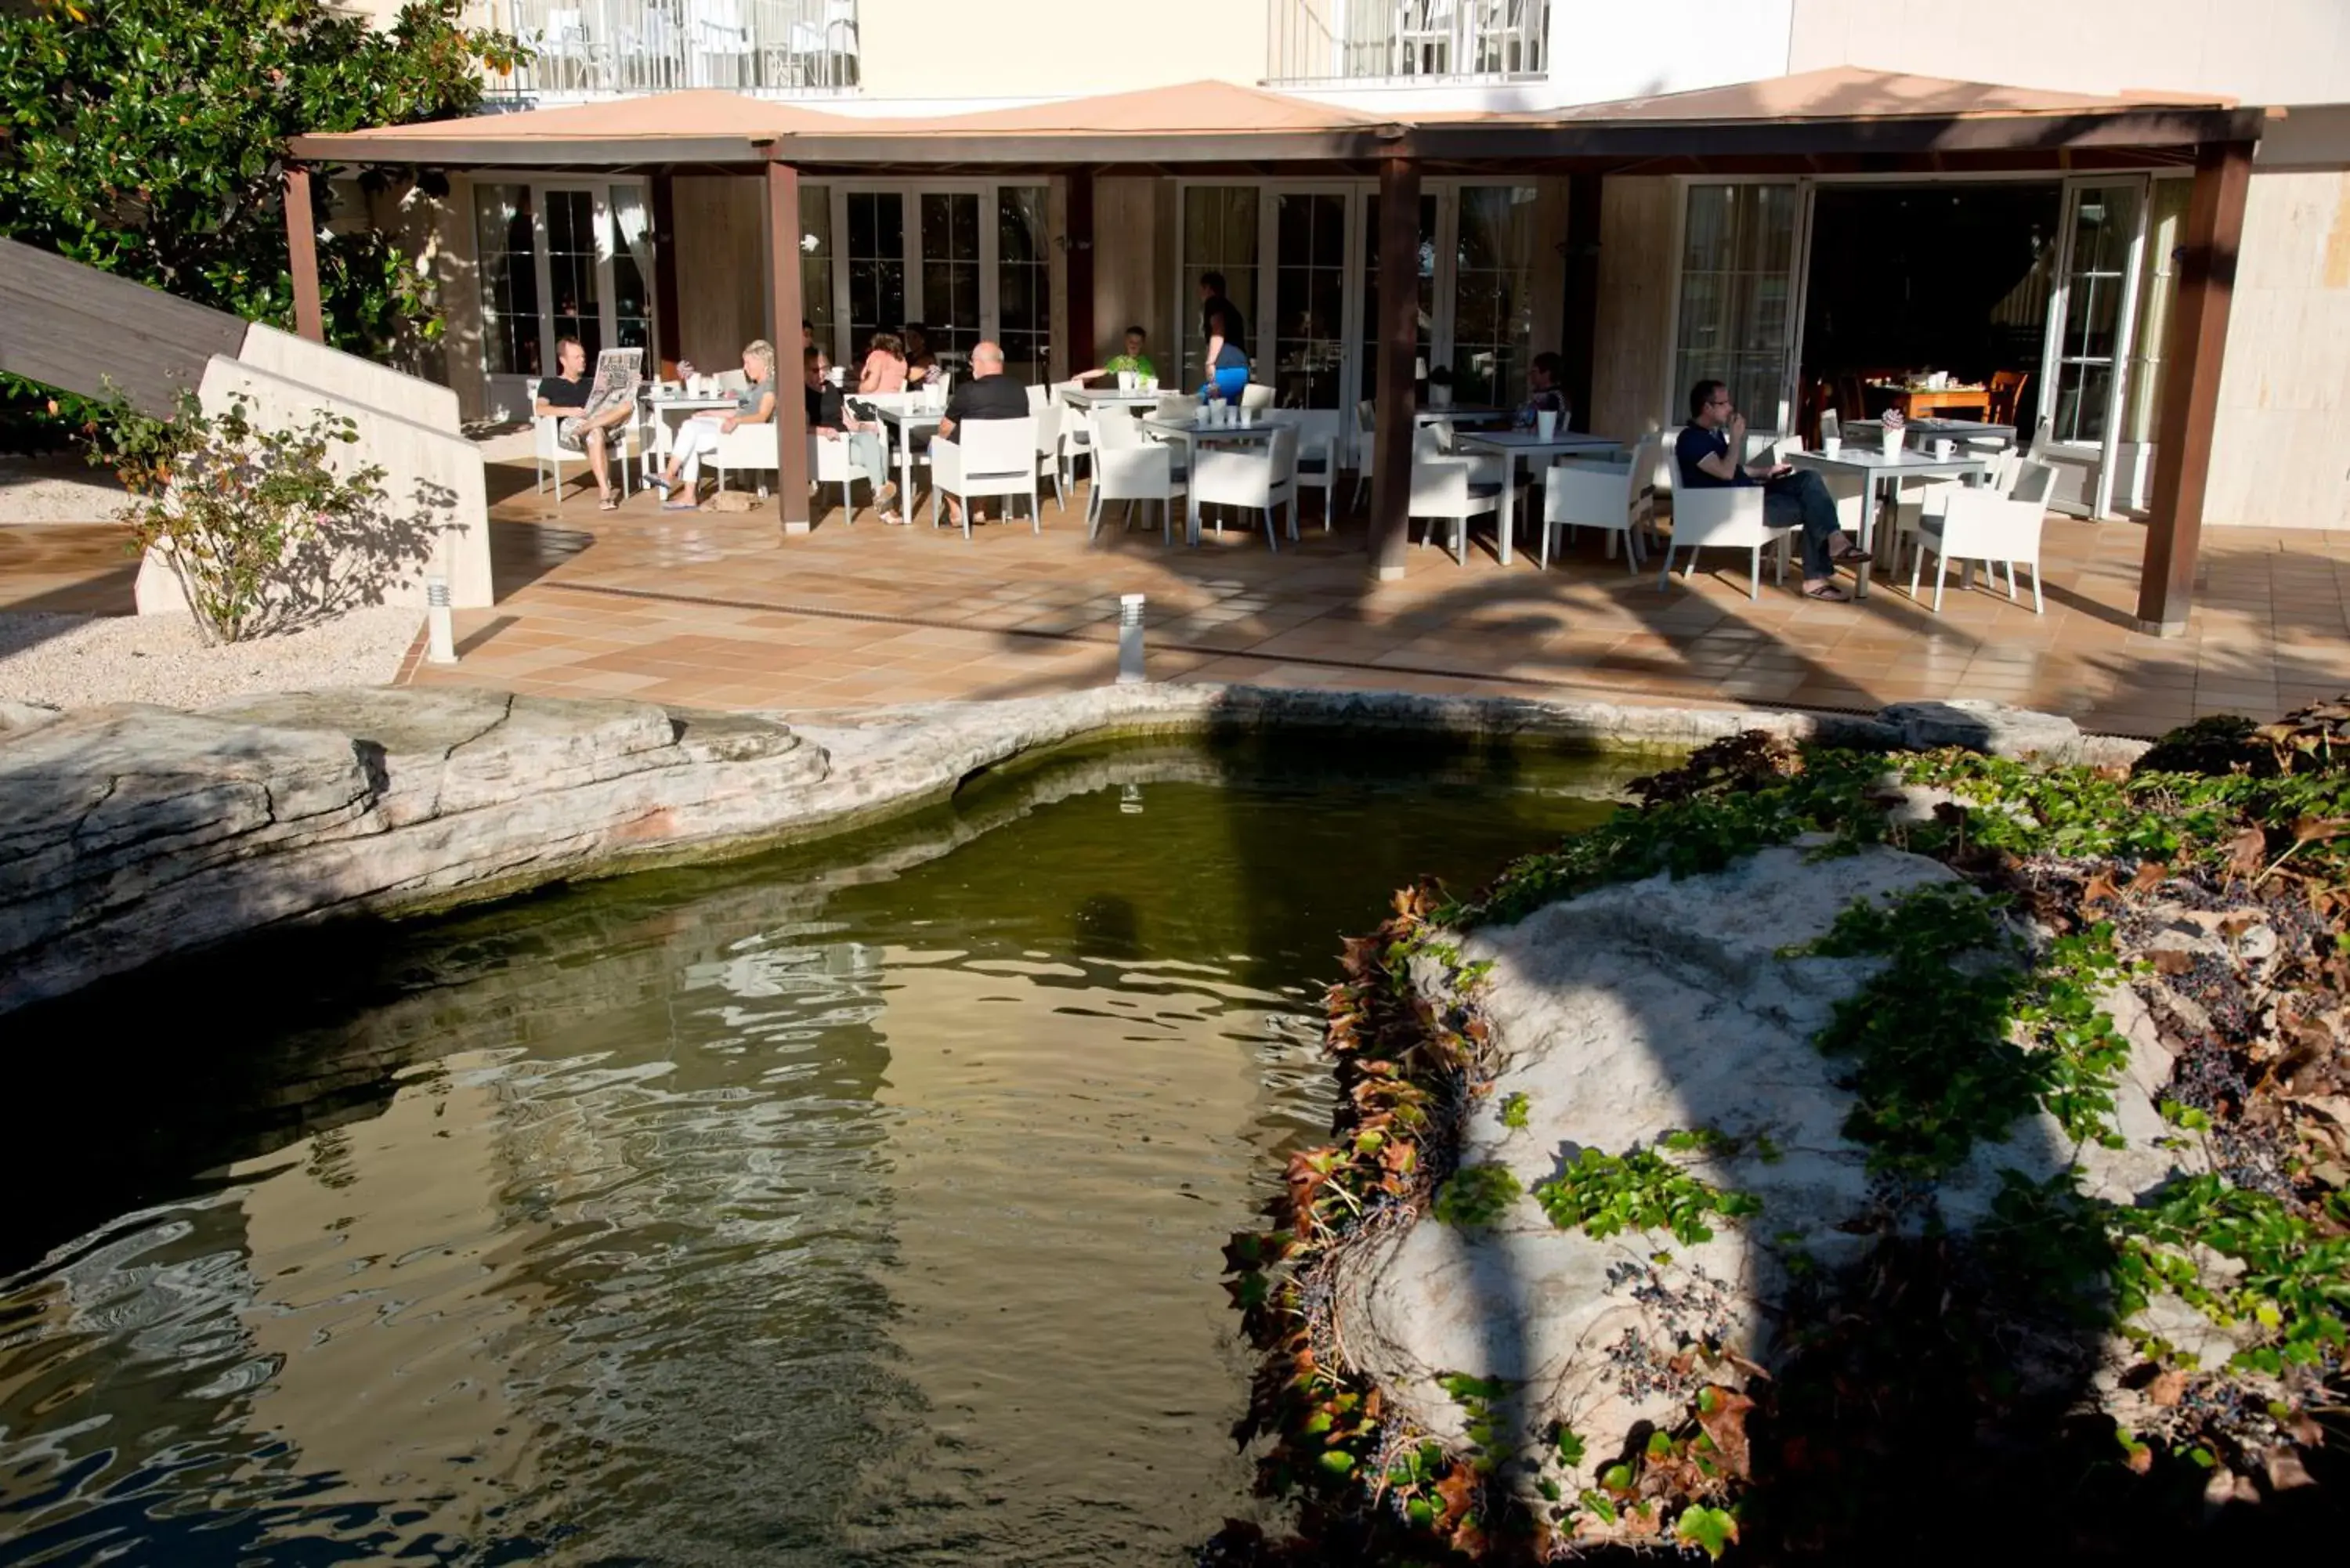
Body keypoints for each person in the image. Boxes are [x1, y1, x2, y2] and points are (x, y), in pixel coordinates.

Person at [1676, 379, 1867, 602]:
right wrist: (1736, 439)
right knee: (1812, 506)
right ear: (1707, 407)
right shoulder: (1690, 440)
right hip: (1735, 509)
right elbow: (1726, 473)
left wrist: (1766, 471)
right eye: (1724, 403)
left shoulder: (1712, 434)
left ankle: (1834, 540)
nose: (1730, 408)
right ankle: (1817, 574)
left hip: (1749, 496)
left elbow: (1734, 470)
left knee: (1809, 479)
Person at [650, 340, 776, 510]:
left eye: (748, 363)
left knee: (690, 433)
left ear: (763, 364)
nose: (745, 368)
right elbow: (738, 411)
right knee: (691, 426)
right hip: (735, 427)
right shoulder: (754, 387)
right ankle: (683, 491)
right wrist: (709, 412)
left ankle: (673, 479)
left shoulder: (769, 387)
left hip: (745, 434)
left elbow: (762, 416)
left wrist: (736, 421)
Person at [936, 340, 1029, 529]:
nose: (971, 367)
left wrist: (941, 444)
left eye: (971, 362)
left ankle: (955, 509)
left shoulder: (968, 390)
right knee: (987, 449)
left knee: (937, 448)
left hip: (974, 462)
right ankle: (979, 509)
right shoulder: (1020, 389)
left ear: (978, 362)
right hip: (1011, 461)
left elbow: (944, 429)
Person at [535, 336, 634, 511]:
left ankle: (590, 426)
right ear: (563, 360)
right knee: (595, 432)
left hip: (597, 424)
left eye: (583, 357)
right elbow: (541, 409)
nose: (583, 360)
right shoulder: (550, 383)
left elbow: (618, 402)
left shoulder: (593, 383)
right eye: (577, 357)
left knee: (626, 406)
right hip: (572, 427)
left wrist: (633, 384)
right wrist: (569, 411)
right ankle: (605, 492)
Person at [806, 346, 902, 523]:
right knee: (880, 453)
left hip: (847, 438)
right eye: (814, 370)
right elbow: (801, 427)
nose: (821, 374)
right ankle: (885, 507)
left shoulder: (831, 388)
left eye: (824, 369)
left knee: (871, 438)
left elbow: (846, 420)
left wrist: (863, 426)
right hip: (828, 444)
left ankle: (880, 495)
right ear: (803, 370)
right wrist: (824, 431)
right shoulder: (802, 394)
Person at [1197, 272, 1249, 405]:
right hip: (1240, 370)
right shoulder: (1230, 308)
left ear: (1208, 288)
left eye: (1201, 289)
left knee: (1198, 402)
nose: (1199, 293)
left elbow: (1218, 329)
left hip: (1226, 368)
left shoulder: (1213, 302)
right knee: (1224, 412)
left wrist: (1210, 362)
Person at [1079, 325, 1156, 385]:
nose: (1134, 345)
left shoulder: (1146, 363)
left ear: (1142, 344)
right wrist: (1081, 377)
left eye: (1138, 343)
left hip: (1145, 400)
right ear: (1126, 342)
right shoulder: (1121, 361)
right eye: (1131, 342)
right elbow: (1101, 371)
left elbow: (1153, 381)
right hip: (1128, 400)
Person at [1517, 352, 1569, 430]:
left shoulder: (1554, 398)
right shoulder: (1539, 395)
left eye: (1534, 371)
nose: (1530, 374)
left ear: (1547, 373)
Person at [859, 331, 908, 395]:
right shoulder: (901, 360)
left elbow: (870, 386)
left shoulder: (877, 356)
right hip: (896, 401)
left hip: (877, 400)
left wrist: (861, 387)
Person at [902, 323, 938, 387]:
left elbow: (911, 376)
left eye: (915, 337)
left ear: (923, 339)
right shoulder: (908, 356)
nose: (910, 341)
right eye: (908, 337)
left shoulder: (928, 359)